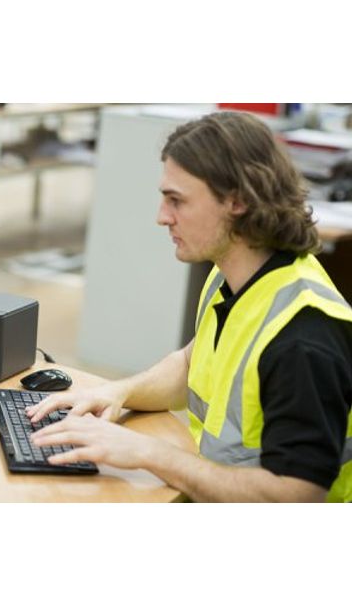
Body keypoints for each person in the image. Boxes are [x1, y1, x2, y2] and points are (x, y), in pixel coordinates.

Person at [26, 111, 352, 502]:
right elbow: (190, 364)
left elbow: (295, 497)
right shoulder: (234, 276)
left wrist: (150, 454)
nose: (162, 217)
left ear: (237, 201)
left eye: (176, 200)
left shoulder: (303, 337)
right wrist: (117, 393)